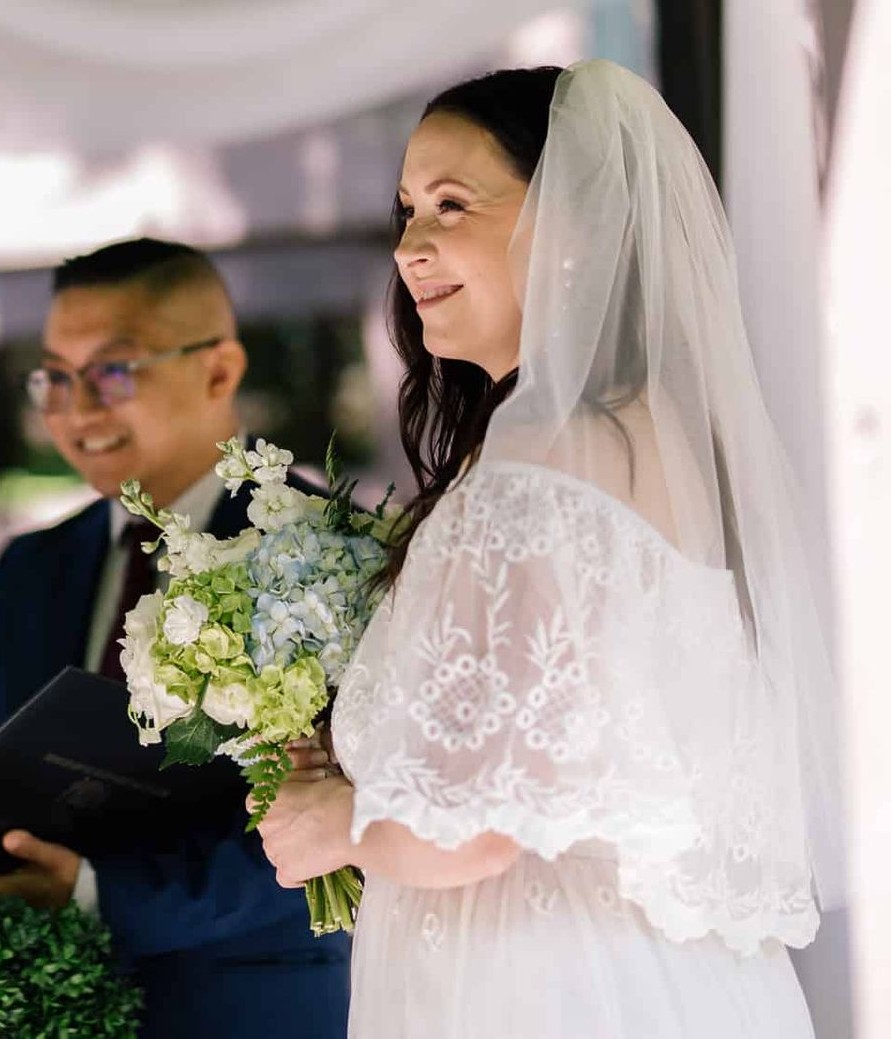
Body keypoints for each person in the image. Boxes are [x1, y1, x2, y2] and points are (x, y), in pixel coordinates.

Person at [257, 62, 839, 1037]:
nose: (410, 246)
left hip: (535, 986)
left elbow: (483, 824)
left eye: (453, 203)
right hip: (678, 977)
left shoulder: (548, 455)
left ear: (573, 223)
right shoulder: (661, 435)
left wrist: (332, 822)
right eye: (405, 210)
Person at [0, 238, 350, 1039]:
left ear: (219, 371)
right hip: (41, 1010)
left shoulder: (324, 551)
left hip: (246, 1009)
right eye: (55, 375)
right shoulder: (34, 565)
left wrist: (94, 893)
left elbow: (339, 825)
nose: (76, 408)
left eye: (113, 372)